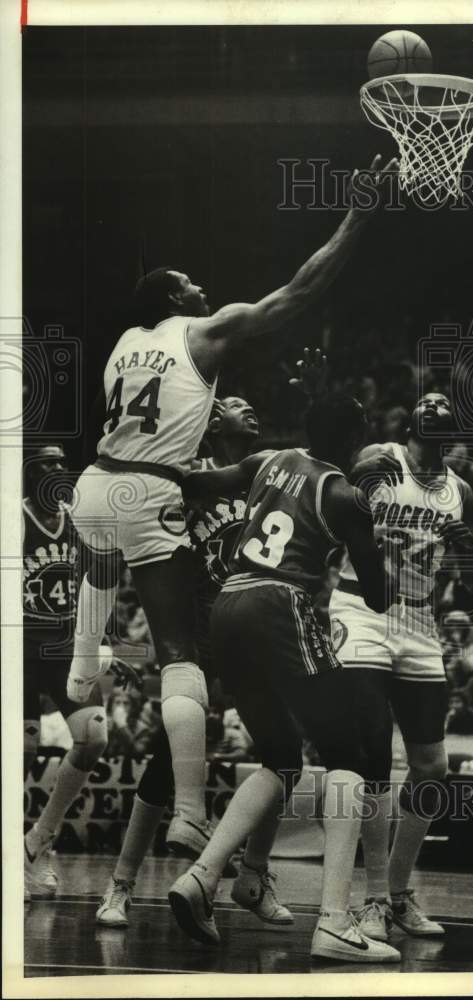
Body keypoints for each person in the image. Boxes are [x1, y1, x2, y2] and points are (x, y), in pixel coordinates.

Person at [67, 157, 395, 861]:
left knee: (98, 580)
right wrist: (357, 215)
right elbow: (298, 294)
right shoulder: (204, 334)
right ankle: (188, 813)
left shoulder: (123, 348)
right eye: (189, 282)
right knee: (177, 654)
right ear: (170, 299)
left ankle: (79, 666)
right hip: (153, 488)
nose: (202, 285)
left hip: (95, 482)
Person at [167, 393, 401, 963]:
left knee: (280, 757)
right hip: (280, 604)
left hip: (228, 604)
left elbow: (194, 485)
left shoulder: (265, 461)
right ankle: (335, 922)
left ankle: (203, 876)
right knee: (349, 755)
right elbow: (378, 595)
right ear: (351, 441)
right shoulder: (344, 496)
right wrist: (378, 522)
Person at [95, 393, 293, 929]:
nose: (248, 409)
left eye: (250, 403)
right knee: (166, 763)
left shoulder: (268, 475)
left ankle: (254, 874)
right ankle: (122, 884)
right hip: (200, 636)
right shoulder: (186, 474)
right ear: (209, 421)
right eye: (233, 403)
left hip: (255, 635)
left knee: (287, 754)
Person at [328, 392, 473, 941]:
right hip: (360, 608)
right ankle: (369, 900)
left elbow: (472, 589)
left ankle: (396, 893)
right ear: (408, 435)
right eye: (422, 444)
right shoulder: (378, 457)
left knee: (432, 768)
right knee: (373, 755)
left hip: (419, 621)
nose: (428, 455)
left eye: (438, 447)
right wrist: (357, 478)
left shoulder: (460, 491)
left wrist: (470, 555)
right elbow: (337, 506)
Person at [22, 445, 137, 898]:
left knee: (95, 737)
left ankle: (37, 842)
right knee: (23, 749)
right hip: (20, 647)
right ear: (30, 473)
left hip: (63, 645)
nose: (57, 468)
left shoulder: (77, 520)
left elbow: (94, 589)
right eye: (47, 462)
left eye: (60, 461)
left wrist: (104, 649)